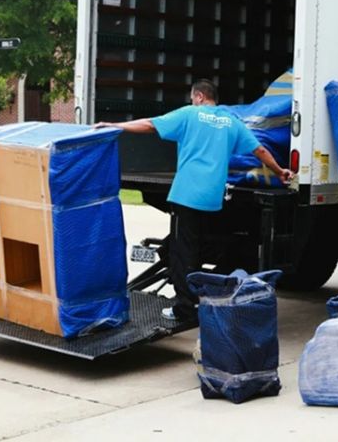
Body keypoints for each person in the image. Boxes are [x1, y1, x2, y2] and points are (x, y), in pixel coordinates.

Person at [96, 79, 293, 321]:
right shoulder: (231, 121)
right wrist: (279, 170)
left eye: (193, 98)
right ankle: (202, 296)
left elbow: (149, 125)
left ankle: (184, 309)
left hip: (186, 196)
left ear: (199, 96)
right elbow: (260, 150)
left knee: (183, 253)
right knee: (201, 247)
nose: (192, 101)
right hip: (213, 199)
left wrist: (115, 126)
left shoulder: (190, 114)